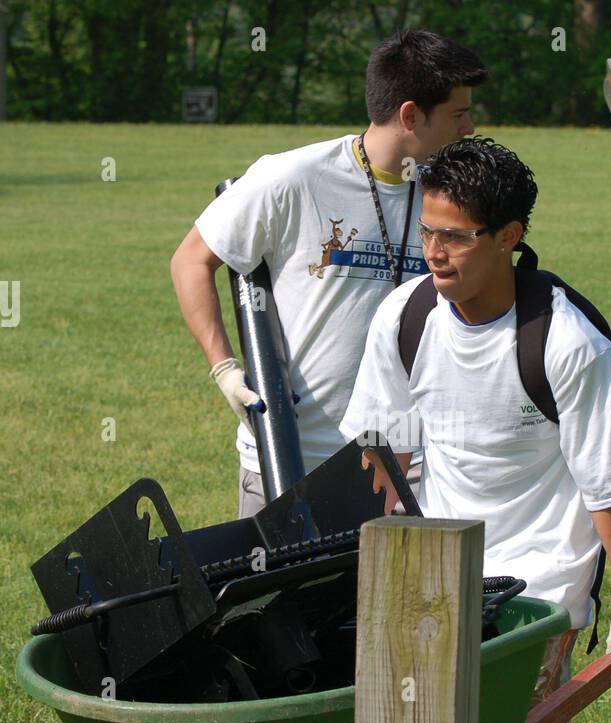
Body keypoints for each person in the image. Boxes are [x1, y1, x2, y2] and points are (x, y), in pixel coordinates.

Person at [341, 138, 611, 723]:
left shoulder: (566, 342)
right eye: (427, 230)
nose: (435, 250)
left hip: (544, 578)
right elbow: (384, 449)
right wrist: (392, 551)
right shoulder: (405, 318)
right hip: (446, 562)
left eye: (455, 236)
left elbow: (605, 483)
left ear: (509, 238)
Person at [170, 29, 486, 518]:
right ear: (409, 114)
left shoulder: (448, 195)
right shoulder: (292, 177)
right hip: (291, 459)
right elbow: (192, 260)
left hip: (412, 463)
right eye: (458, 115)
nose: (469, 128)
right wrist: (225, 369)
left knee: (406, 597)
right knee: (283, 596)